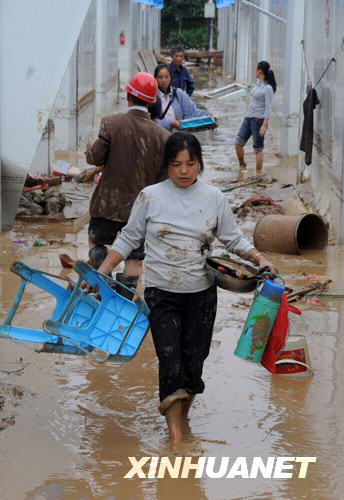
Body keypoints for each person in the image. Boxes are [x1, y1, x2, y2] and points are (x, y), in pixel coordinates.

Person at [83, 132, 278, 444]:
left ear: (199, 164)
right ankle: (176, 439)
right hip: (162, 294)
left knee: (193, 363)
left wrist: (260, 259)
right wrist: (102, 271)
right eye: (176, 164)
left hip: (202, 295)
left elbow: (233, 239)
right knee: (170, 361)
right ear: (167, 166)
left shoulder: (214, 198)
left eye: (190, 164)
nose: (184, 170)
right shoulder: (150, 197)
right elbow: (129, 238)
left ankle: (182, 418)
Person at [85, 72, 170, 292]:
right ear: (152, 102)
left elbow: (95, 158)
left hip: (107, 205)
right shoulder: (163, 136)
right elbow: (163, 179)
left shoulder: (111, 123)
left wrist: (90, 146)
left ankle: (102, 289)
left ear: (128, 95)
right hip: (140, 210)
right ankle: (123, 302)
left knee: (97, 243)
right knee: (134, 258)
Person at [235, 60, 277, 173]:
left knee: (258, 148)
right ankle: (242, 165)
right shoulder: (257, 84)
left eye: (256, 69)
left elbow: (268, 108)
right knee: (238, 143)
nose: (255, 71)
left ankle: (258, 173)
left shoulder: (268, 88)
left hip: (258, 121)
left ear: (259, 71)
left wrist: (264, 125)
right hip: (248, 118)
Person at [154, 63, 207, 132]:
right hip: (159, 137)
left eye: (167, 77)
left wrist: (208, 116)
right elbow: (150, 121)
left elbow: (192, 112)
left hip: (177, 138)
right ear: (155, 78)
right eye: (160, 78)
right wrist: (170, 124)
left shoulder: (179, 94)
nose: (164, 80)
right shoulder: (152, 97)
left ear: (171, 77)